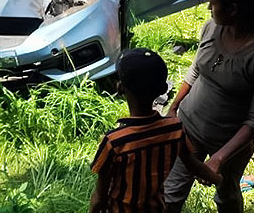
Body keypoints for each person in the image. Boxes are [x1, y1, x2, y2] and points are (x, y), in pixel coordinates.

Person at [163, 0, 254, 213]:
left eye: (213, 4)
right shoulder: (211, 28)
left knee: (227, 197)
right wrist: (173, 108)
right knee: (170, 194)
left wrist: (219, 157)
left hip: (229, 144)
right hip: (187, 130)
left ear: (233, 10)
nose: (209, 8)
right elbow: (196, 69)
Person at [89, 48, 221, 213]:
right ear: (163, 89)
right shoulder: (175, 129)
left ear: (120, 88)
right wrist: (219, 179)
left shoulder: (114, 142)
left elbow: (99, 197)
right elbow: (194, 165)